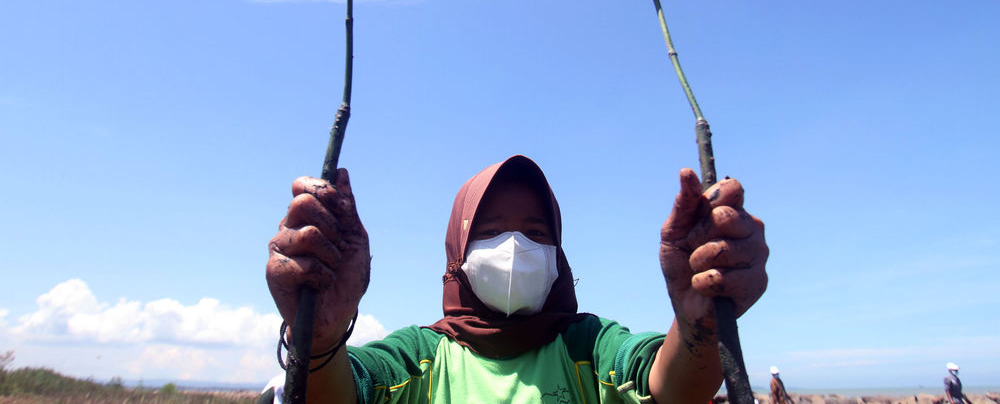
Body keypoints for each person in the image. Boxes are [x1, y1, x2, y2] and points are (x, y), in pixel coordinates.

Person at [265, 155, 769, 403]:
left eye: (533, 231)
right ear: (458, 254)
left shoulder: (588, 347)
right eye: (489, 232)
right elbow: (341, 392)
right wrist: (321, 333)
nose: (513, 247)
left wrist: (698, 322)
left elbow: (670, 386)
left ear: (558, 252)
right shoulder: (419, 356)